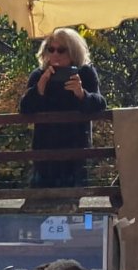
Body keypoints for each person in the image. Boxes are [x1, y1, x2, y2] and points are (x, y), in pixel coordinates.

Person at [19, 27, 106, 188]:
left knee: (74, 206)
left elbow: (100, 104)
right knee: (40, 203)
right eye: (50, 49)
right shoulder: (39, 75)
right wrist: (39, 89)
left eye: (61, 50)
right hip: (44, 153)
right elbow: (24, 109)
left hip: (76, 152)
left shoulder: (85, 73)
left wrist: (82, 94)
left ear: (73, 52)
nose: (55, 55)